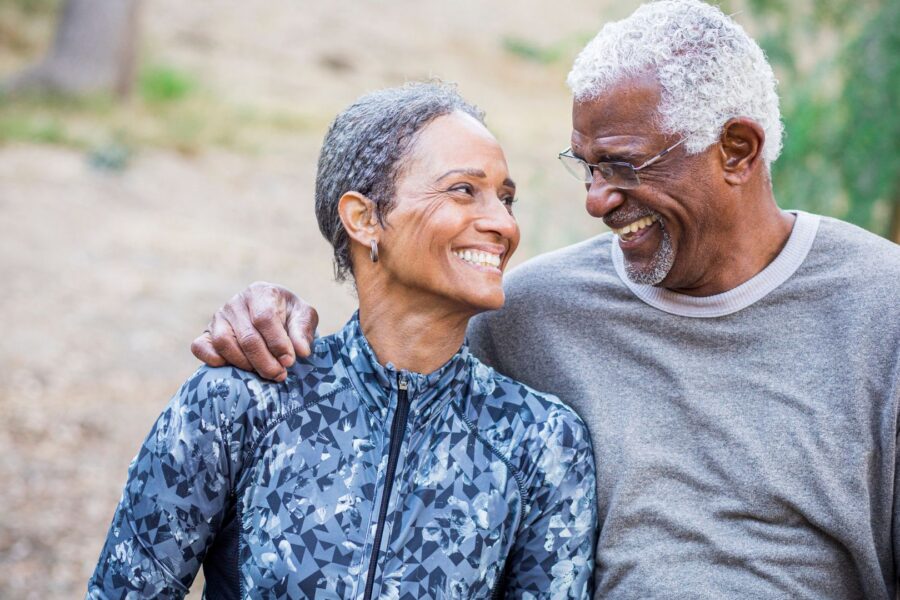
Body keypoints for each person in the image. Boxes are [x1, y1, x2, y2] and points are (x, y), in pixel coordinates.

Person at [192, 1, 900, 598]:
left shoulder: (880, 309)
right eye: (587, 168)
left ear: (737, 151)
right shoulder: (533, 311)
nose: (596, 201)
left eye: (623, 166)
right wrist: (270, 314)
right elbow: (387, 382)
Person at [88, 82, 597, 599]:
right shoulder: (242, 401)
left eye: (506, 198)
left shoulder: (542, 443)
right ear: (365, 218)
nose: (503, 223)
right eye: (464, 190)